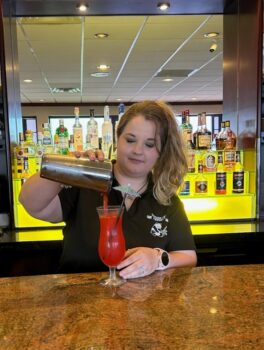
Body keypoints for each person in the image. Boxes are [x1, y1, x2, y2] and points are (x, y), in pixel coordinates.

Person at [19, 100, 197, 278]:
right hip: (78, 300)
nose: (137, 150)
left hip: (140, 302)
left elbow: (188, 257)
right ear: (117, 138)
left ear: (162, 151)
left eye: (149, 144)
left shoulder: (165, 198)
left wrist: (158, 258)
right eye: (130, 140)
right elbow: (30, 203)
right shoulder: (85, 181)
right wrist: (69, 168)